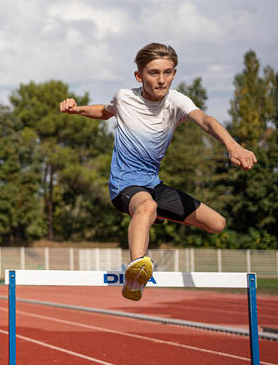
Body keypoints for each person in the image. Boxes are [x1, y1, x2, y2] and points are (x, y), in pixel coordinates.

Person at [59, 42, 256, 301]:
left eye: (168, 72)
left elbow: (206, 121)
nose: (162, 80)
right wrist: (77, 110)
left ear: (174, 73)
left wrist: (232, 145)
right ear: (139, 76)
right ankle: (135, 274)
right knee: (147, 207)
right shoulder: (124, 98)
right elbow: (105, 112)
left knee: (217, 224)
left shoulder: (176, 101)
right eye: (154, 73)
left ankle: (154, 217)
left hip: (153, 185)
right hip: (124, 185)